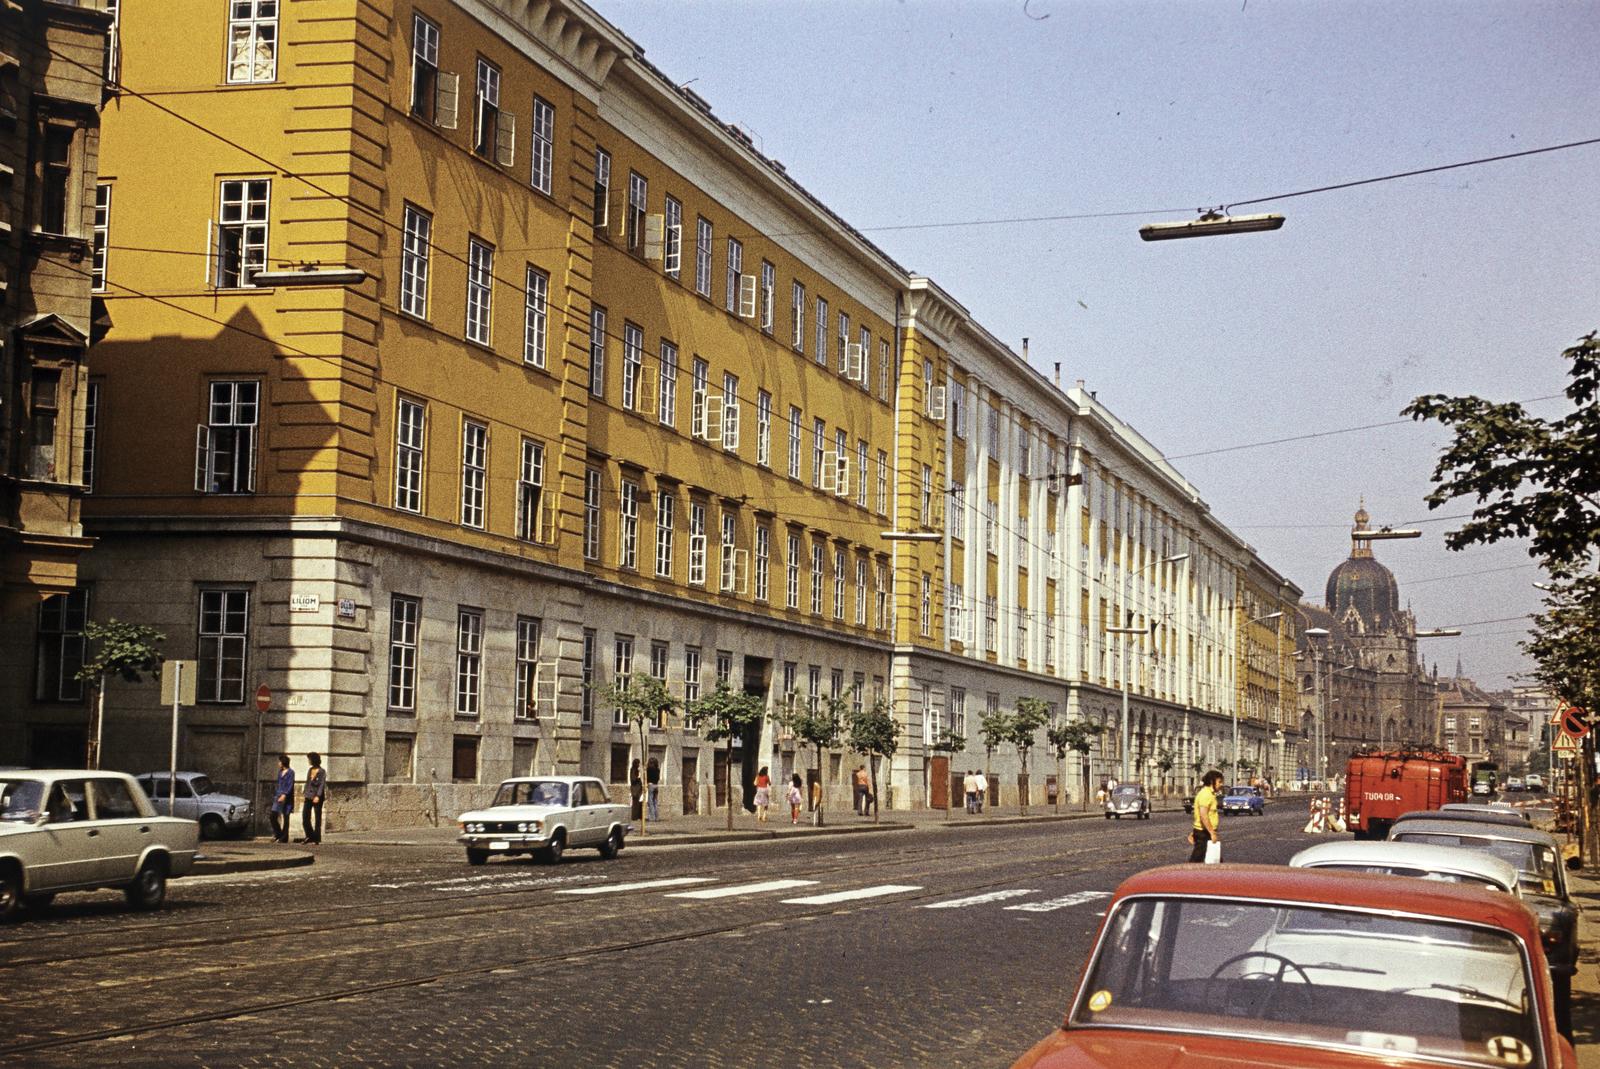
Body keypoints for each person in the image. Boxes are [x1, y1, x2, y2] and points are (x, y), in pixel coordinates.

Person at [1188, 769, 1224, 863]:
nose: (1221, 784)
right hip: (1204, 833)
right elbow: (1203, 815)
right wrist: (1212, 833)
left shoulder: (1209, 794)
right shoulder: (1206, 795)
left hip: (1204, 831)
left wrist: (1194, 833)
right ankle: (1188, 873)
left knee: (1215, 859)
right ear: (1212, 782)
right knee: (1197, 860)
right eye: (1219, 782)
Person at [300, 752, 325, 845]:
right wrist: (305, 793)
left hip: (317, 797)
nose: (308, 761)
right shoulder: (310, 770)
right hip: (308, 796)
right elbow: (308, 782)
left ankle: (317, 838)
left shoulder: (322, 771)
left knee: (317, 818)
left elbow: (322, 784)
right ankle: (309, 835)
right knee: (305, 817)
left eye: (309, 759)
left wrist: (318, 796)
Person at [270, 754, 294, 843]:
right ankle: (278, 833)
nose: (278, 763)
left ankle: (284, 837)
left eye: (279, 762)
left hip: (287, 797)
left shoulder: (291, 772)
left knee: (286, 817)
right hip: (278, 795)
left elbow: (290, 785)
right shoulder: (280, 772)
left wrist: (284, 794)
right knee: (272, 816)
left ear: (283, 762)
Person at [646, 757, 661, 822]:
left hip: (651, 785)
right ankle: (656, 817)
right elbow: (658, 778)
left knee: (650, 802)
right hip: (656, 785)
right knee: (655, 802)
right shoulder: (658, 769)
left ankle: (652, 817)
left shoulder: (649, 769)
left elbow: (647, 778)